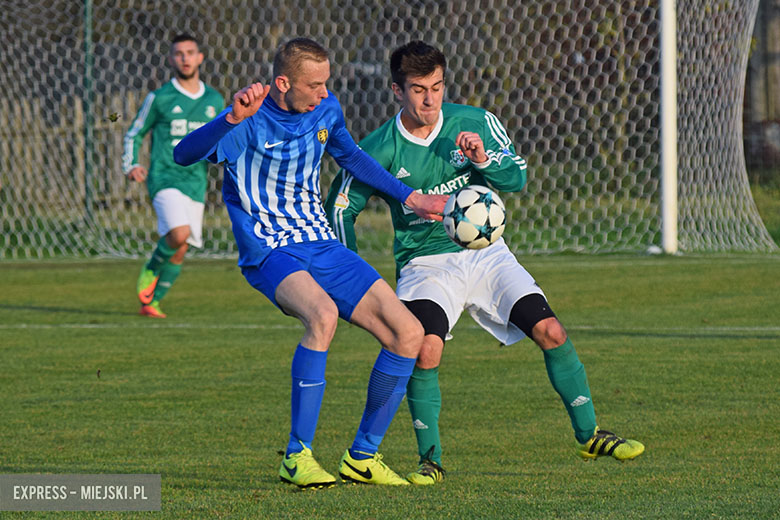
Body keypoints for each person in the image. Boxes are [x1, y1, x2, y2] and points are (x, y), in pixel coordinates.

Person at [324, 40, 645, 485]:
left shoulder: (474, 122)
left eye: (436, 86)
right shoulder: (378, 148)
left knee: (552, 331)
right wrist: (352, 278)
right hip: (426, 264)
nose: (430, 99)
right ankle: (429, 460)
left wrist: (483, 160)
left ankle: (589, 435)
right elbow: (340, 208)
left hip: (489, 254)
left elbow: (517, 177)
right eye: (418, 89)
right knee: (425, 349)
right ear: (397, 91)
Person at [173, 38, 449, 489]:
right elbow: (181, 155)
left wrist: (409, 196)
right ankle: (297, 456)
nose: (324, 93)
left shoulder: (326, 109)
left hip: (320, 242)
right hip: (269, 249)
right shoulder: (248, 120)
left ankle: (362, 456)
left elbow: (352, 156)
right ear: (283, 83)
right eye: (314, 85)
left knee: (409, 333)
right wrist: (230, 118)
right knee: (321, 315)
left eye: (327, 83)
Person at [123, 33, 224, 318]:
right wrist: (131, 165)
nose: (185, 58)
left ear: (200, 57)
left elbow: (221, 138)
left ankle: (151, 303)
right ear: (171, 59)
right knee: (178, 234)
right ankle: (152, 267)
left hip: (195, 181)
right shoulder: (160, 98)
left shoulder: (214, 100)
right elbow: (135, 132)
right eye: (179, 53)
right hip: (164, 176)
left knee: (181, 249)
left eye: (190, 52)